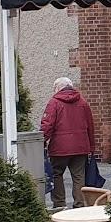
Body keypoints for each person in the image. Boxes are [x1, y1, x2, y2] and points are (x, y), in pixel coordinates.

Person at [40, 77, 95, 210]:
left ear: (58, 88)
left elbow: (47, 125)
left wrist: (42, 141)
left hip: (59, 148)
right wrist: (91, 147)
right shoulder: (82, 102)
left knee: (56, 174)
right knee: (78, 177)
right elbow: (91, 126)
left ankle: (59, 205)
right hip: (80, 147)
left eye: (54, 89)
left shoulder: (54, 103)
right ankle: (79, 206)